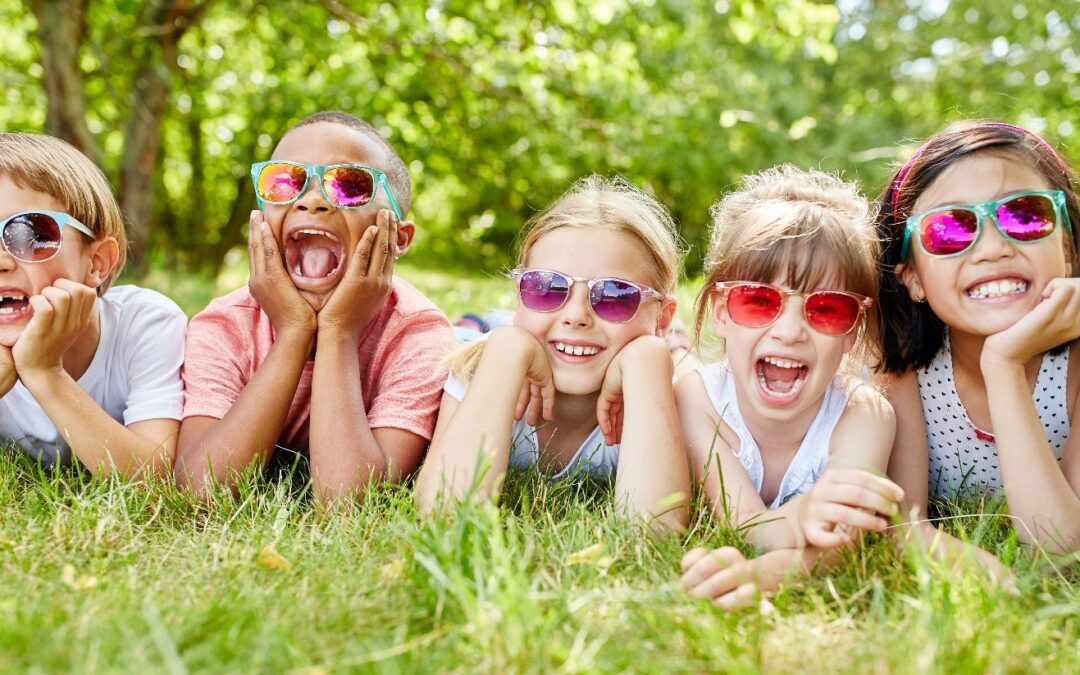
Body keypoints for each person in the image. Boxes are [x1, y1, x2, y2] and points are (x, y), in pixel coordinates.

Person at [175, 111, 457, 502]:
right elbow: (200, 490)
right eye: (284, 182)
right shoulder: (224, 325)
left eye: (349, 185)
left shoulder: (418, 335)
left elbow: (347, 502)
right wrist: (293, 330)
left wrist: (339, 329)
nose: (311, 201)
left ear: (400, 237)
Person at [678, 166, 902, 609]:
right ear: (721, 312)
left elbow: (842, 546)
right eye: (759, 300)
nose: (790, 331)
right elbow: (744, 525)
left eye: (828, 309)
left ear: (854, 332)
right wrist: (803, 515)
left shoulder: (864, 417)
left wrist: (756, 576)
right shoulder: (696, 398)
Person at [414, 175, 690, 531]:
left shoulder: (662, 395)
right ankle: (480, 324)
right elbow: (443, 514)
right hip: (481, 340)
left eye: (615, 295)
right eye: (545, 288)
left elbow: (655, 531)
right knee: (470, 334)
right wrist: (506, 348)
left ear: (662, 318)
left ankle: (679, 343)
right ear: (518, 298)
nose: (576, 315)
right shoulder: (479, 372)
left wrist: (649, 358)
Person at [876, 120, 1080, 554]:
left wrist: (1003, 364)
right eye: (949, 229)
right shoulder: (901, 369)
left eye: (1024, 214)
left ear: (1066, 248)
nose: (992, 248)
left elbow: (1063, 550)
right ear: (912, 277)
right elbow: (904, 528)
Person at [0, 132, 185, 477]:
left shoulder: (144, 323)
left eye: (29, 234)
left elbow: (155, 483)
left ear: (96, 263)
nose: (2, 261)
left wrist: (45, 372)